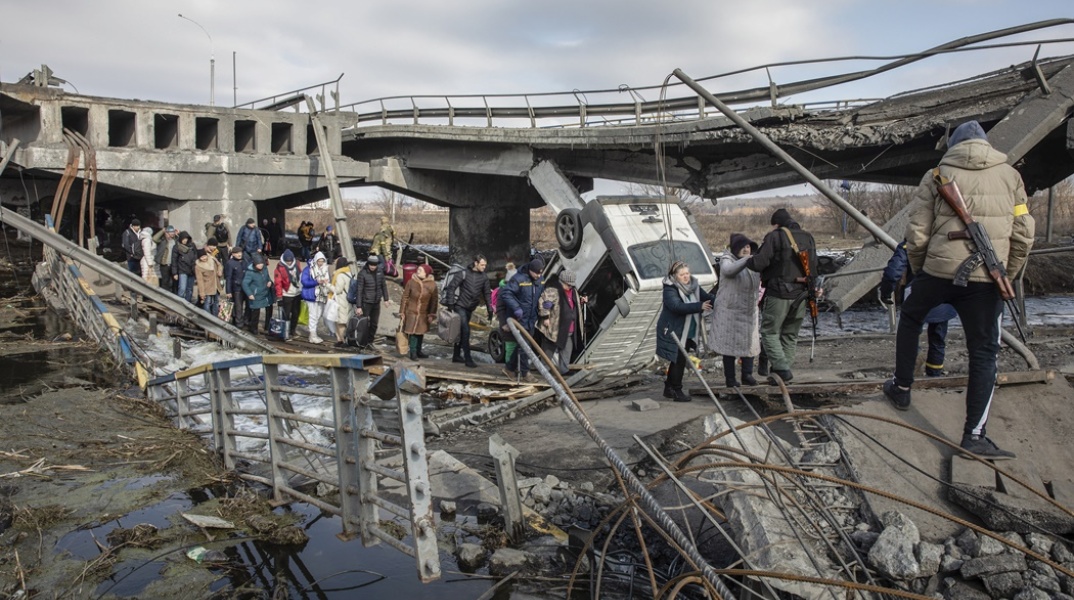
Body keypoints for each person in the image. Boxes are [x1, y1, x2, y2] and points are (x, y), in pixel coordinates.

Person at [884, 120, 1034, 460]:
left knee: (910, 318)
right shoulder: (1011, 176)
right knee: (984, 353)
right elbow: (1024, 233)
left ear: (953, 145)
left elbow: (917, 232)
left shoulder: (936, 174)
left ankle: (902, 388)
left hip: (938, 270)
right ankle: (974, 436)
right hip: (985, 281)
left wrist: (922, 271)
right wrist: (1005, 274)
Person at [745, 208, 818, 385]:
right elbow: (815, 267)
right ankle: (779, 373)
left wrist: (746, 260)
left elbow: (759, 263)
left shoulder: (775, 236)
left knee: (769, 332)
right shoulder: (808, 237)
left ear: (777, 224)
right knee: (790, 335)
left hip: (779, 292)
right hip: (802, 294)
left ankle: (782, 370)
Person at [880, 240, 956, 377]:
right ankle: (934, 375)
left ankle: (908, 374)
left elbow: (892, 273)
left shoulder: (909, 244)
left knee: (910, 335)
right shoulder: (949, 240)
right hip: (944, 295)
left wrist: (885, 292)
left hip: (916, 295)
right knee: (938, 338)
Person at [657, 260, 715, 402]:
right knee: (679, 360)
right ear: (675, 276)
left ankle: (669, 387)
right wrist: (699, 306)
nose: (686, 277)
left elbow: (706, 298)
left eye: (687, 273)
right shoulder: (670, 289)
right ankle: (676, 390)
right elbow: (677, 307)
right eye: (682, 274)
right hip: (674, 330)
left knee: (678, 359)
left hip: (688, 329)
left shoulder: (693, 286)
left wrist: (720, 301)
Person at [708, 233, 762, 388]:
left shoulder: (753, 263)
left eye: (748, 247)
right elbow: (729, 271)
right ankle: (730, 380)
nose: (746, 249)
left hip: (749, 310)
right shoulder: (727, 260)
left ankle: (747, 375)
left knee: (750, 345)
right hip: (729, 312)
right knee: (729, 348)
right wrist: (748, 259)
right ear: (736, 248)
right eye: (743, 247)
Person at [443, 254, 493, 368]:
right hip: (460, 306)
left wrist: (490, 309)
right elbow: (451, 287)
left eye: (485, 265)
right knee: (466, 331)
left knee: (461, 332)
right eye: (482, 265)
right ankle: (468, 358)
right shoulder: (463, 273)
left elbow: (487, 294)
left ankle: (456, 355)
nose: (484, 267)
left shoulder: (484, 277)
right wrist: (450, 304)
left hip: (470, 308)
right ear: (476, 263)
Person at [501, 257, 545, 383]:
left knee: (523, 345)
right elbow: (506, 294)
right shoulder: (519, 279)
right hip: (520, 318)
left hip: (532, 317)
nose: (539, 275)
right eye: (537, 273)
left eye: (541, 273)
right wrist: (516, 308)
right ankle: (525, 373)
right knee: (525, 345)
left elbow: (543, 293)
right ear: (530, 270)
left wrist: (546, 303)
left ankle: (509, 368)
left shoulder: (540, 279)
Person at [536, 269, 586, 375]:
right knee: (548, 350)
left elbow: (572, 305)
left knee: (567, 349)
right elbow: (544, 303)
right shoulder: (553, 290)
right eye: (568, 285)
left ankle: (564, 370)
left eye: (571, 285)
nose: (570, 287)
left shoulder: (573, 291)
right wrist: (545, 317)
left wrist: (581, 301)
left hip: (569, 328)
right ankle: (544, 370)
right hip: (554, 328)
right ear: (561, 282)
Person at [348, 254, 391, 347]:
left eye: (374, 265)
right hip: (366, 302)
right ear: (368, 264)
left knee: (374, 323)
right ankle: (362, 341)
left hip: (376, 302)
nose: (372, 267)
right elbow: (359, 290)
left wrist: (386, 299)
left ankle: (370, 341)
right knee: (364, 323)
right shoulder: (362, 273)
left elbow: (383, 286)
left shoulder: (380, 272)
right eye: (371, 265)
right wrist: (359, 306)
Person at [399, 264, 438, 360]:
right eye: (418, 269)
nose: (418, 271)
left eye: (421, 270)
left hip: (423, 313)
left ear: (426, 273)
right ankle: (413, 352)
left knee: (420, 332)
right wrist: (402, 311)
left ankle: (418, 350)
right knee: (413, 332)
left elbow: (434, 300)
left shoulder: (432, 285)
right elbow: (405, 297)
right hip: (411, 311)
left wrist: (431, 314)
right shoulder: (411, 282)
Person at [301, 252, 332, 344]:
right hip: (311, 295)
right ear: (316, 260)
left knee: (318, 315)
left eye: (322, 261)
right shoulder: (308, 269)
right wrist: (317, 282)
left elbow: (328, 282)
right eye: (319, 261)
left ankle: (314, 333)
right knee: (313, 315)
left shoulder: (325, 270)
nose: (321, 263)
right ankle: (312, 335)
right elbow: (304, 282)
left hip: (321, 296)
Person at [241, 254, 275, 335]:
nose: (261, 265)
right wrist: (249, 294)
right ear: (254, 264)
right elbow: (245, 283)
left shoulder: (264, 269)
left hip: (266, 292)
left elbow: (267, 277)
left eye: (261, 263)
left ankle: (268, 326)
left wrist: (270, 281)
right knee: (255, 312)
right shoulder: (250, 272)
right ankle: (254, 328)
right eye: (258, 264)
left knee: (269, 309)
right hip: (256, 294)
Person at [273, 249, 302, 340]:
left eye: (290, 261)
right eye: (287, 261)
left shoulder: (297, 264)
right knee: (286, 314)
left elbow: (300, 276)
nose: (289, 263)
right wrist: (279, 297)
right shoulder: (279, 268)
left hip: (297, 293)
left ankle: (292, 330)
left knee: (296, 313)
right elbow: (278, 284)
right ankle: (285, 331)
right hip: (287, 294)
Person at [494, 262, 519, 366]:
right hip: (508, 323)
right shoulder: (503, 291)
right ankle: (510, 368)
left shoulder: (519, 288)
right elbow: (500, 308)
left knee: (519, 347)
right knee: (510, 346)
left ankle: (516, 367)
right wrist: (504, 323)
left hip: (519, 321)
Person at [329, 256, 353, 346]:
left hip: (341, 301)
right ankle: (343, 340)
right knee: (345, 321)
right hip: (348, 300)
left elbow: (338, 290)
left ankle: (341, 340)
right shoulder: (349, 273)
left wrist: (327, 284)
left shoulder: (339, 275)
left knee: (340, 322)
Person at [194, 247, 222, 317]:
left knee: (216, 302)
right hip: (207, 287)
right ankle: (208, 318)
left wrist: (219, 271)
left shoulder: (212, 259)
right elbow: (200, 280)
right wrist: (202, 293)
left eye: (204, 256)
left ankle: (215, 318)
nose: (204, 258)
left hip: (216, 285)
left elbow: (220, 265)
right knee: (207, 303)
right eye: (202, 257)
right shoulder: (198, 267)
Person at [171, 231, 197, 303]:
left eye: (186, 239)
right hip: (182, 270)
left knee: (190, 289)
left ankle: (188, 304)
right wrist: (175, 273)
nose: (185, 240)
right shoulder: (176, 247)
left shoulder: (192, 246)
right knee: (182, 288)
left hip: (191, 270)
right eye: (183, 239)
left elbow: (195, 257)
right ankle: (179, 304)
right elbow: (174, 260)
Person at [224, 246, 247, 328]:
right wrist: (228, 291)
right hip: (236, 287)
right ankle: (239, 323)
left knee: (241, 306)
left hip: (244, 287)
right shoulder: (230, 263)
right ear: (233, 254)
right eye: (237, 253)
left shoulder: (244, 261)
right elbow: (228, 278)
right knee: (238, 306)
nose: (239, 254)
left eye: (240, 252)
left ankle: (239, 321)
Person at [152, 225, 178, 292]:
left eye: (173, 232)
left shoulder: (175, 240)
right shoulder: (162, 241)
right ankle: (165, 297)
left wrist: (178, 234)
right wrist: (162, 231)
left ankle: (173, 296)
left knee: (174, 282)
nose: (172, 234)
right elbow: (154, 238)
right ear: (166, 233)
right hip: (164, 264)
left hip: (173, 265)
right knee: (165, 282)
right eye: (170, 232)